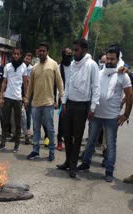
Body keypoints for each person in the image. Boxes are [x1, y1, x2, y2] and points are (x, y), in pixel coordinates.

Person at [77, 47, 133, 182]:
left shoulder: (122, 75)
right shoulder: (100, 72)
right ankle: (85, 163)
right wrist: (91, 109)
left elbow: (130, 95)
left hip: (112, 117)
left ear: (117, 60)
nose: (109, 61)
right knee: (90, 141)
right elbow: (93, 91)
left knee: (111, 145)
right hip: (97, 114)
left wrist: (126, 115)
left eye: (112, 59)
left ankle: (109, 171)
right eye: (107, 58)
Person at [57, 39, 100, 178]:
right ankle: (68, 162)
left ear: (84, 50)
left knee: (77, 137)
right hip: (69, 104)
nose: (74, 53)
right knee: (66, 135)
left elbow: (96, 87)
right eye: (73, 49)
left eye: (76, 50)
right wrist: (64, 103)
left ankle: (73, 166)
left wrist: (92, 108)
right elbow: (68, 85)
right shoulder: (73, 64)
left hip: (83, 106)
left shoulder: (92, 65)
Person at [25, 42, 64, 161]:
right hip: (36, 104)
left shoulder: (53, 65)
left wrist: (62, 97)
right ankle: (35, 150)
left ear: (47, 52)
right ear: (38, 51)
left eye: (44, 51)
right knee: (36, 128)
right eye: (40, 51)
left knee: (50, 128)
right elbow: (30, 85)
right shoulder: (34, 67)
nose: (41, 53)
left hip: (48, 103)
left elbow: (59, 82)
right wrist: (27, 99)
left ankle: (51, 151)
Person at [0, 47, 28, 153]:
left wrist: (26, 97)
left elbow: (25, 83)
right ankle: (3, 142)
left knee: (18, 123)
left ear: (20, 55)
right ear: (12, 55)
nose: (16, 55)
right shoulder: (7, 66)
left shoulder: (24, 67)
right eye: (14, 54)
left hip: (18, 98)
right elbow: (4, 82)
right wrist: (1, 97)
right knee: (5, 121)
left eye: (18, 54)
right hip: (8, 97)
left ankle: (16, 145)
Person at [56, 48, 73, 151]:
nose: (69, 56)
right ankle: (59, 141)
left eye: (71, 54)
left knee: (70, 121)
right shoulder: (58, 68)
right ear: (63, 55)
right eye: (67, 54)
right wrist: (58, 99)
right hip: (62, 97)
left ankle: (68, 140)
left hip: (72, 98)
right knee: (62, 121)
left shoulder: (73, 67)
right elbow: (56, 84)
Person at [22, 52, 33, 144]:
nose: (27, 60)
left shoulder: (32, 69)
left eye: (29, 59)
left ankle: (28, 131)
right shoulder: (20, 67)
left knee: (28, 113)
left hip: (29, 94)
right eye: (26, 58)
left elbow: (31, 81)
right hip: (19, 92)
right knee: (19, 114)